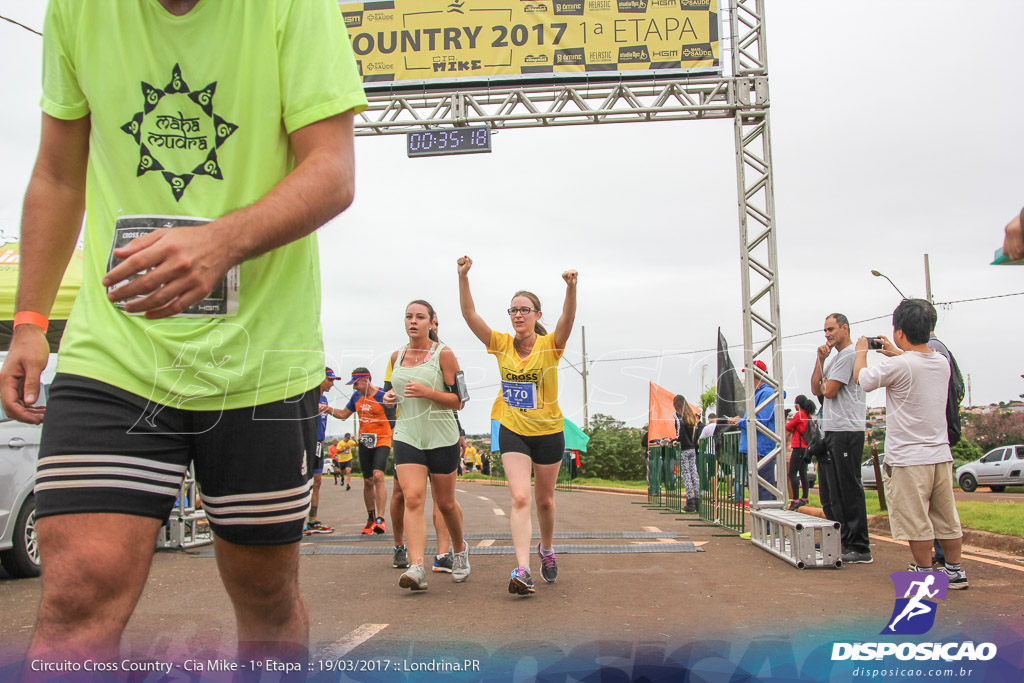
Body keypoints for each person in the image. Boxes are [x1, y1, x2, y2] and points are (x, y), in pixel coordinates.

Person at [0, 0, 366, 664]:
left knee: (266, 599)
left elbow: (333, 170)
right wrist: (30, 321)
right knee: (77, 595)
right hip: (116, 355)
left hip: (260, 361)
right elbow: (57, 175)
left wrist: (220, 243)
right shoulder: (79, 10)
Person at [458, 255, 578, 595]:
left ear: (538, 316)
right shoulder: (499, 344)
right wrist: (463, 276)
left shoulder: (549, 346)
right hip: (512, 429)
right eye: (513, 310)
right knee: (520, 497)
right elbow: (470, 315)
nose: (518, 315)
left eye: (524, 310)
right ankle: (523, 568)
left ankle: (547, 549)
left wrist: (571, 288)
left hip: (549, 432)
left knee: (544, 501)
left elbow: (568, 318)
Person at [854, 299, 967, 588]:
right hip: (940, 455)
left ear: (900, 332)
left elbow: (864, 380)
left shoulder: (900, 365)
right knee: (946, 517)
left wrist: (861, 352)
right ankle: (954, 571)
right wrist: (896, 352)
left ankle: (924, 572)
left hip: (908, 458)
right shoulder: (941, 363)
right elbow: (915, 363)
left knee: (917, 521)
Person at [382, 300, 470, 590]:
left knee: (445, 504)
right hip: (408, 433)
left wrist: (428, 392)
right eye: (409, 316)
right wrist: (390, 399)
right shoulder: (397, 355)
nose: (413, 321)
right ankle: (416, 566)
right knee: (414, 498)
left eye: (420, 317)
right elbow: (394, 390)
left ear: (433, 322)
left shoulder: (444, 354)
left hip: (441, 435)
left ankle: (459, 550)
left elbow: (459, 400)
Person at [811, 313, 872, 564]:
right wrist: (820, 360)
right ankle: (843, 538)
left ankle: (859, 545)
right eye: (825, 330)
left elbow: (830, 391)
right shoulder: (834, 359)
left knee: (848, 488)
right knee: (833, 491)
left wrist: (825, 382)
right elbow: (817, 389)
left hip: (848, 429)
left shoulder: (849, 356)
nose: (827, 334)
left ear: (845, 329)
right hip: (834, 430)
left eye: (831, 329)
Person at [330, 368, 394, 535]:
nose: (355, 388)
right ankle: (371, 518)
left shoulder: (383, 394)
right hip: (365, 441)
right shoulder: (356, 397)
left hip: (382, 439)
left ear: (366, 381)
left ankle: (381, 518)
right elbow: (344, 414)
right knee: (368, 481)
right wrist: (326, 408)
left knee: (379, 475)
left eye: (356, 384)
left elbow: (396, 415)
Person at [727, 360, 779, 504]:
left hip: (761, 447)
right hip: (755, 446)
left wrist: (741, 422)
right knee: (756, 488)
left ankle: (767, 526)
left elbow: (760, 420)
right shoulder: (758, 394)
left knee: (763, 490)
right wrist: (741, 421)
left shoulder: (767, 393)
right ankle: (763, 525)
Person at [307, 368, 343, 534]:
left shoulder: (324, 399)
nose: (332, 384)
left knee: (317, 481)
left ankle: (313, 521)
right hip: (308, 441)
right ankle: (299, 521)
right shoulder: (307, 397)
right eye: (329, 380)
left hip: (319, 443)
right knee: (305, 482)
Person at [785, 395, 815, 510]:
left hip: (798, 447)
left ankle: (795, 500)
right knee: (803, 473)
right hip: (806, 448)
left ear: (798, 404)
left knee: (792, 474)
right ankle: (805, 497)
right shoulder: (808, 416)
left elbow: (788, 426)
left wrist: (792, 428)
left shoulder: (800, 415)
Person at [673, 396, 701, 513]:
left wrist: (676, 440)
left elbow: (680, 432)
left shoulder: (678, 416)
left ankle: (690, 503)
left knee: (687, 476)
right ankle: (698, 502)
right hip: (692, 448)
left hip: (684, 449)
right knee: (694, 475)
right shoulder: (690, 416)